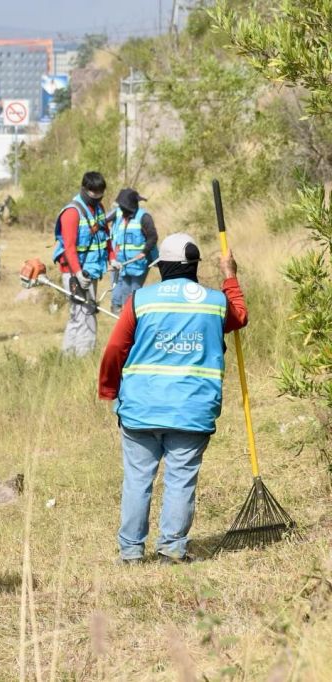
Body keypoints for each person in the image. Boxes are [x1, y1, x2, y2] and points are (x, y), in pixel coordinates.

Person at [98, 234, 248, 565]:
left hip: (140, 409)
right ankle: (172, 550)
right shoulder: (214, 302)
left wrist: (109, 389)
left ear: (162, 267)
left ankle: (131, 553)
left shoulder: (140, 300)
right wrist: (229, 275)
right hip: (192, 410)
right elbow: (240, 315)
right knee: (181, 480)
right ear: (194, 267)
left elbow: (114, 349)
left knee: (138, 479)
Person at [53, 171, 114, 357]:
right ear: (84, 189)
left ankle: (67, 356)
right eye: (92, 194)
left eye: (100, 194)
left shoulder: (99, 208)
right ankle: (84, 358)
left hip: (92, 270)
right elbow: (69, 248)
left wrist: (113, 258)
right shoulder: (72, 213)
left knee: (77, 315)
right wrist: (78, 274)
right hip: (74, 273)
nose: (96, 198)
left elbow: (104, 235)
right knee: (86, 315)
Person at [107, 188, 158, 314]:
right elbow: (102, 222)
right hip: (123, 264)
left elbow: (153, 237)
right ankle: (125, 318)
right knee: (125, 295)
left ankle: (134, 319)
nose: (122, 211)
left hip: (139, 265)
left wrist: (144, 252)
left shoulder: (144, 217)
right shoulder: (119, 213)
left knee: (134, 293)